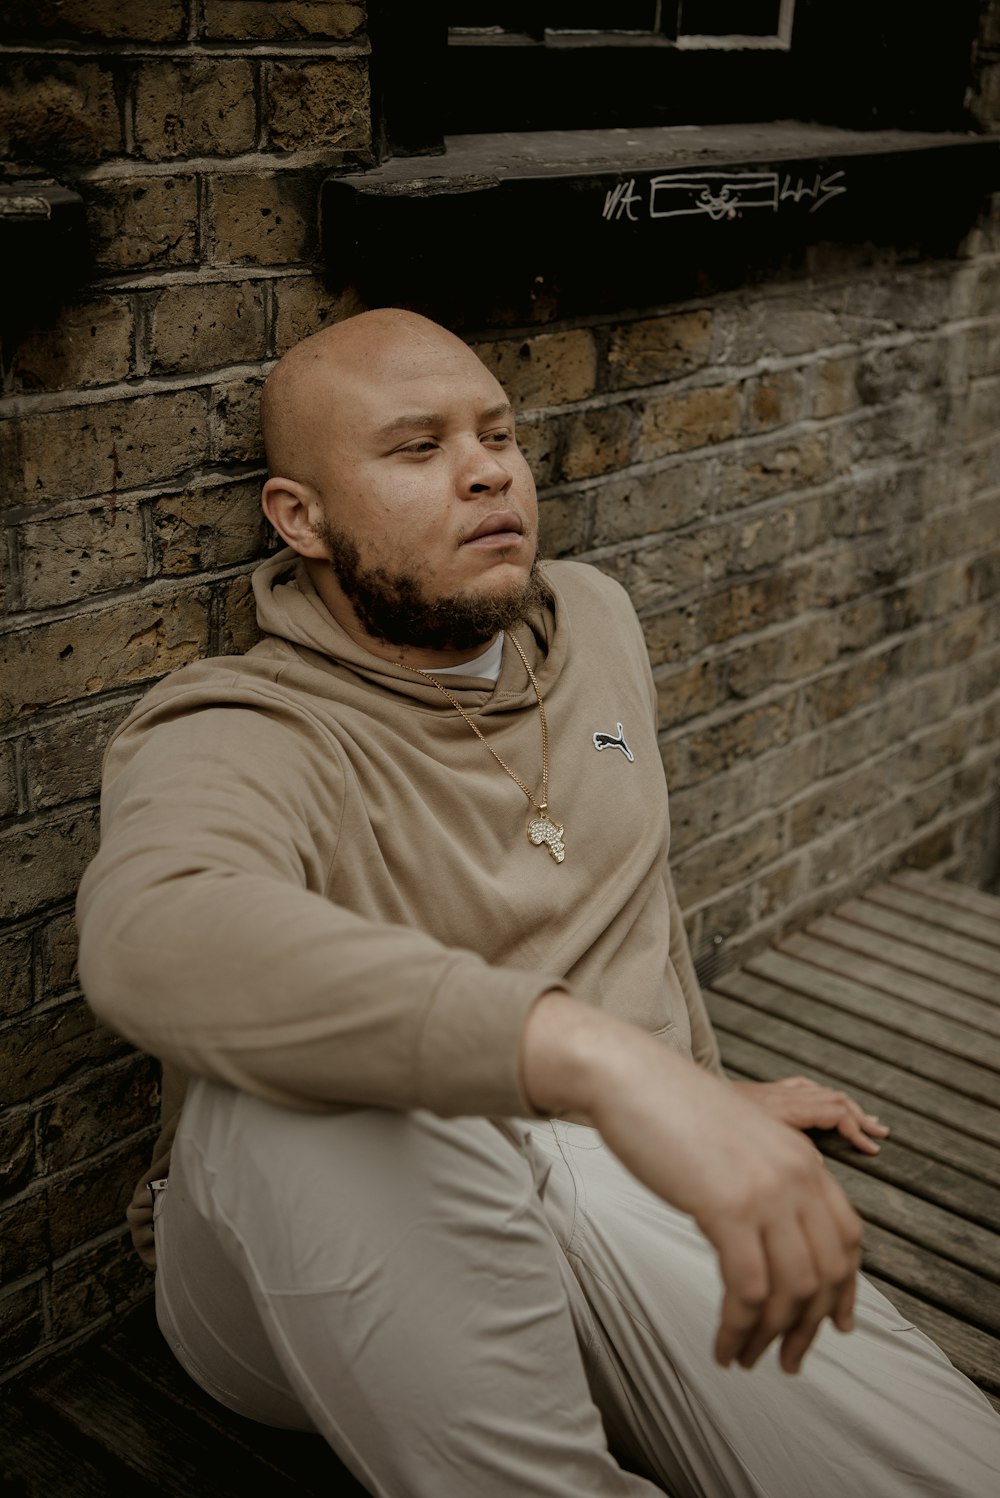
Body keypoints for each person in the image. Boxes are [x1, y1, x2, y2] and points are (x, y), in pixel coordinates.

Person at [77, 309, 1000, 1497]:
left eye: (498, 434)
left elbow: (626, 915)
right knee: (313, 1107)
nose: (487, 469)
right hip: (305, 1274)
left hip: (603, 1202)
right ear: (298, 518)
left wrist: (699, 1085)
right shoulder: (243, 726)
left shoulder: (593, 622)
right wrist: (603, 1064)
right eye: (417, 449)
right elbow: (154, 932)